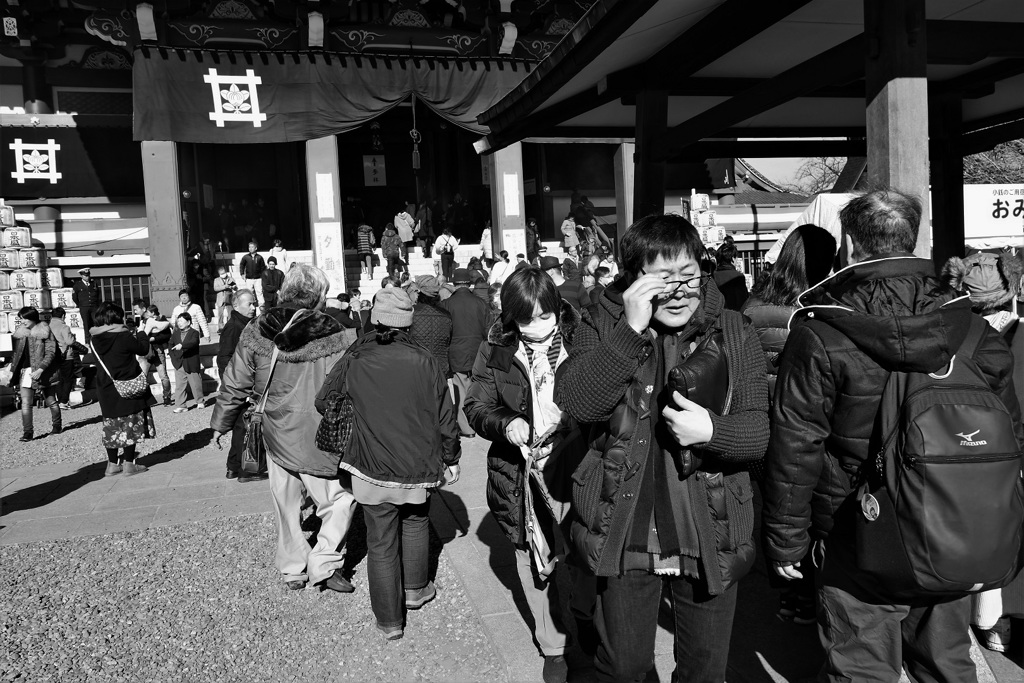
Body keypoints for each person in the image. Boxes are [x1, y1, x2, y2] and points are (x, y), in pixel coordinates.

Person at [762, 189, 1022, 682]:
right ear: (915, 237)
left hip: (853, 527)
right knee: (945, 662)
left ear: (851, 246)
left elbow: (797, 445)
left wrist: (786, 540)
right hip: (948, 516)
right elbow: (1010, 433)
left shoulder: (822, 330)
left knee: (859, 664)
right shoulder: (967, 325)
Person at [559, 214, 770, 683]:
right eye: (661, 278)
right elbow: (577, 401)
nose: (678, 291)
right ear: (632, 277)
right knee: (625, 667)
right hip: (624, 523)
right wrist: (629, 334)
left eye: (689, 275)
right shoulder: (599, 323)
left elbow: (758, 433)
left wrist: (713, 431)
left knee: (705, 671)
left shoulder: (733, 329)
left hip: (710, 528)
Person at [315, 287, 461, 640]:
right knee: (414, 523)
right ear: (408, 322)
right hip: (417, 462)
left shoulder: (356, 357)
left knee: (380, 541)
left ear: (374, 318)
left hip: (369, 463)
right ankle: (415, 589)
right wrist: (452, 457)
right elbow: (446, 417)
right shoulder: (426, 360)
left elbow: (324, 401)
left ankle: (389, 622)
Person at [465, 268, 584, 683]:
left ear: (557, 309)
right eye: (525, 319)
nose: (536, 327)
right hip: (520, 470)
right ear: (510, 316)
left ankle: (586, 628)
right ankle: (553, 644)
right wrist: (505, 422)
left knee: (584, 548)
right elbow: (476, 406)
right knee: (532, 554)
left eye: (544, 316)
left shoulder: (581, 337)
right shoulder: (495, 348)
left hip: (579, 461)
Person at [212, 264, 357, 592]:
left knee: (286, 502)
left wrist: (220, 422)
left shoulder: (257, 327)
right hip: (319, 433)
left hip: (275, 429)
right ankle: (324, 560)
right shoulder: (335, 329)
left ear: (284, 291)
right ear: (319, 295)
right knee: (338, 499)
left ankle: (293, 569)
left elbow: (236, 379)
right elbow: (349, 382)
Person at [739, 224, 837, 625]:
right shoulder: (821, 312)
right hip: (808, 425)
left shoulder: (751, 307)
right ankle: (815, 591)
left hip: (764, 426)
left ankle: (791, 593)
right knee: (813, 510)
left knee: (778, 509)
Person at [940, 250, 1024, 654]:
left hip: (956, 452)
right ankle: (998, 620)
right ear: (1012, 287)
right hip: (1009, 453)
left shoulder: (947, 335)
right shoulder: (1015, 337)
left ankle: (988, 618)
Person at [90, 302, 156, 476]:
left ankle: (112, 464)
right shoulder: (123, 336)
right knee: (130, 424)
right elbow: (142, 349)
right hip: (127, 384)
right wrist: (142, 332)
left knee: (111, 425)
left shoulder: (94, 338)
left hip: (106, 387)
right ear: (116, 317)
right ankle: (128, 464)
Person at [439, 268, 492, 438]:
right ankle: (481, 422)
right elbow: (488, 329)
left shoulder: (446, 304)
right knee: (479, 388)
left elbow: (445, 332)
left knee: (461, 390)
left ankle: (467, 428)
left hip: (457, 352)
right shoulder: (480, 303)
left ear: (454, 284)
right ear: (469, 283)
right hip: (478, 350)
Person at [216, 289, 257, 480]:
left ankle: (233, 467)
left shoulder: (247, 325)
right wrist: (231, 383)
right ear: (236, 305)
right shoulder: (234, 327)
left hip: (243, 381)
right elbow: (224, 357)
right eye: (249, 304)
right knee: (244, 425)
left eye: (254, 303)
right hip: (240, 383)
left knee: (241, 424)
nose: (253, 307)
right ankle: (244, 470)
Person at [6, 307, 62, 441]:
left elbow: (51, 352)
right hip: (26, 372)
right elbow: (17, 355)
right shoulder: (20, 334)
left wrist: (41, 369)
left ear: (32, 317)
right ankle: (28, 432)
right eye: (21, 318)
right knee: (26, 403)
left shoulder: (45, 331)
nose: (22, 321)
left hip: (45, 371)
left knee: (50, 401)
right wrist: (11, 369)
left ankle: (57, 425)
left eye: (25, 318)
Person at [409, 275, 453, 380]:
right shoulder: (446, 315)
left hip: (417, 368)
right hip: (440, 369)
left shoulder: (411, 313)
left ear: (418, 293)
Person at [49, 307, 88, 410]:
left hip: (52, 357)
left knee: (58, 379)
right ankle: (64, 402)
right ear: (62, 316)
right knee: (68, 379)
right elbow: (70, 342)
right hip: (66, 356)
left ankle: (59, 400)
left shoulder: (48, 327)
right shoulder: (64, 327)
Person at [169, 312, 204, 413]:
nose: (179, 323)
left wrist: (182, 345)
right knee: (180, 385)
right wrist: (173, 357)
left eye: (181, 321)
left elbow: (193, 342)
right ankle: (181, 405)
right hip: (179, 361)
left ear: (188, 322)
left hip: (191, 361)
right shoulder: (175, 333)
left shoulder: (194, 333)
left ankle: (200, 401)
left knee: (195, 383)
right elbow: (170, 345)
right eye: (178, 321)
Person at [140, 304, 173, 407]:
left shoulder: (161, 320)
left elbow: (167, 336)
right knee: (143, 376)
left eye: (148, 313)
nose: (146, 314)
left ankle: (166, 397)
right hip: (148, 350)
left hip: (157, 349)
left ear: (152, 313)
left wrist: (154, 338)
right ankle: (144, 398)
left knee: (163, 375)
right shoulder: (147, 320)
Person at [712, 241, 748, 311]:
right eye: (736, 257)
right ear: (732, 259)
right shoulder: (738, 276)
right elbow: (743, 300)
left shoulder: (713, 275)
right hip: (734, 315)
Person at [72, 267, 99, 340]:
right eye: (85, 276)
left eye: (88, 275)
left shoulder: (94, 283)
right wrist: (81, 304)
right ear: (81, 276)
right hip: (84, 307)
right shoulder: (77, 285)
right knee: (86, 324)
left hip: (94, 307)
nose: (87, 277)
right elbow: (75, 297)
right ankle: (87, 340)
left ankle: (96, 339)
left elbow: (98, 295)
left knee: (96, 322)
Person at [239, 240, 266, 307]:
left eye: (252, 247)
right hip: (249, 278)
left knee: (259, 292)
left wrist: (262, 276)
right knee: (250, 292)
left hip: (258, 278)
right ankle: (251, 304)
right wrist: (242, 274)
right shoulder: (246, 257)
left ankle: (261, 305)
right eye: (249, 247)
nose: (250, 248)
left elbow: (263, 267)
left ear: (256, 248)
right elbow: (242, 265)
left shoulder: (259, 257)